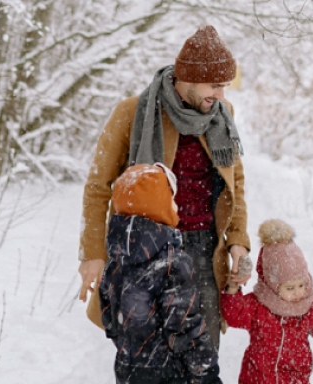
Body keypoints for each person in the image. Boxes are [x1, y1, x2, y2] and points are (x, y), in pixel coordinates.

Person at [77, 25, 252, 349]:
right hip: (146, 250)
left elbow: (235, 183)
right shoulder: (132, 112)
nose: (221, 96)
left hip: (203, 251)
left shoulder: (222, 114)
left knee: (202, 356)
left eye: (225, 86)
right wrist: (93, 253)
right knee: (148, 357)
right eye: (215, 85)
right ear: (188, 78)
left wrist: (238, 241)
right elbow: (98, 187)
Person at [98, 163, 221, 383]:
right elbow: (184, 326)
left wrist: (132, 347)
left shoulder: (115, 260)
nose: (176, 206)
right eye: (172, 199)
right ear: (160, 207)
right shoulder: (172, 262)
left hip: (128, 369)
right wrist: (207, 370)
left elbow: (109, 316)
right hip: (169, 372)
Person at [220, 219, 313, 384]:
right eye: (290, 288)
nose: (298, 292)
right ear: (273, 286)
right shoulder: (259, 305)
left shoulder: (309, 306)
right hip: (258, 379)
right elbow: (234, 314)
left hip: (296, 379)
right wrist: (233, 289)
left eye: (301, 284)